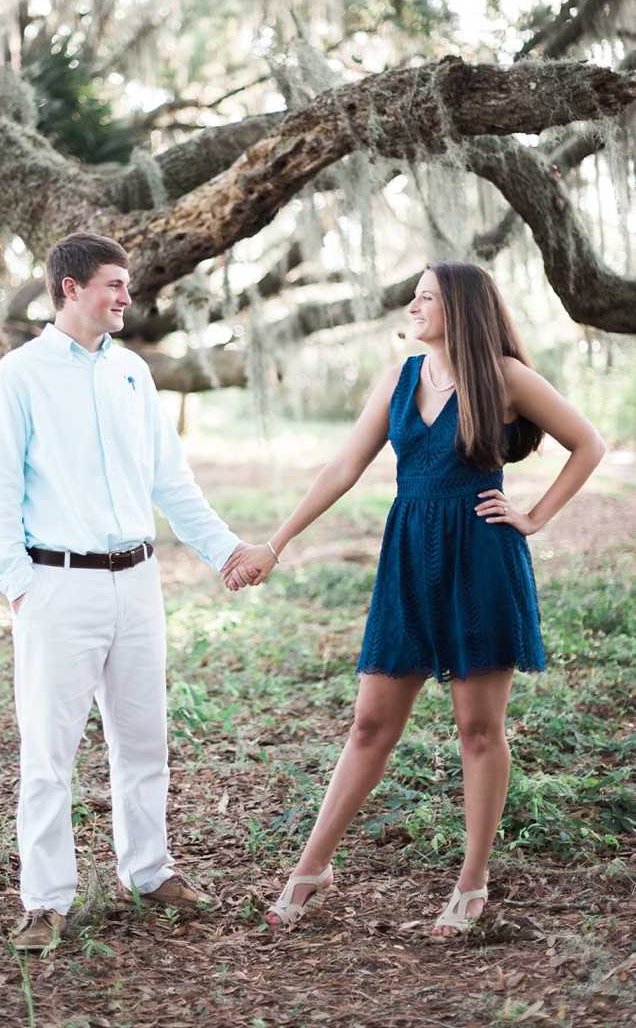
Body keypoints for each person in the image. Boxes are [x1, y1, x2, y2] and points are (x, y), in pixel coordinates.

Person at [222, 261, 606, 936]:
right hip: (408, 561)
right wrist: (273, 545)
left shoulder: (505, 377)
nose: (412, 305)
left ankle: (472, 883)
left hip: (482, 559)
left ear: (460, 306)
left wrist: (536, 516)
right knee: (370, 723)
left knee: (478, 730)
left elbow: (588, 443)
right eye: (414, 296)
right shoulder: (400, 378)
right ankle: (311, 867)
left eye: (426, 296)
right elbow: (343, 467)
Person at [0, 232, 262, 952]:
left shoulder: (133, 374)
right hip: (56, 586)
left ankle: (150, 871)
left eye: (126, 284)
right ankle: (45, 902)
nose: (127, 296)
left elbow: (171, 481)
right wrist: (20, 587)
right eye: (113, 283)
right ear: (70, 288)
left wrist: (226, 551)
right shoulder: (19, 377)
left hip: (137, 583)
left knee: (144, 743)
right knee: (49, 754)